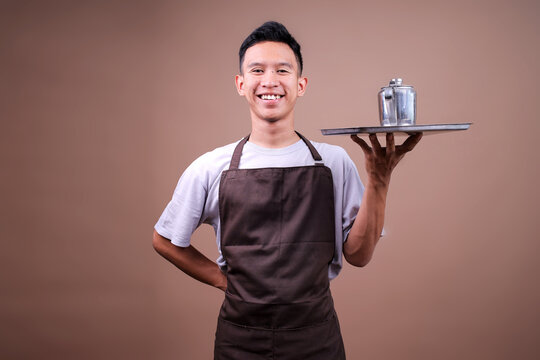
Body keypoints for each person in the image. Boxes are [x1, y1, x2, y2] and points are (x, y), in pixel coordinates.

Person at [152, 21, 422, 360]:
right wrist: (222, 280)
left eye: (283, 70)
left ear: (300, 84)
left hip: (316, 338)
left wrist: (379, 180)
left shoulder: (333, 162)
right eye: (257, 70)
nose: (270, 81)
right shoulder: (211, 167)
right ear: (240, 84)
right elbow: (164, 239)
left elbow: (359, 255)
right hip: (241, 340)